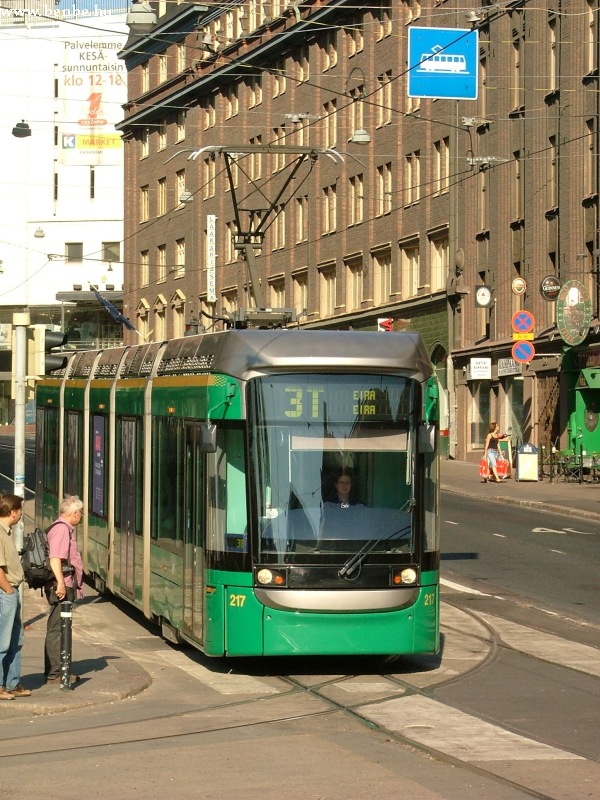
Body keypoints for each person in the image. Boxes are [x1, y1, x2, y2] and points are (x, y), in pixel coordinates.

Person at [44, 495, 84, 685]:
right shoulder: (61, 530)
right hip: (61, 585)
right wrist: (60, 583)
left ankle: (57, 670)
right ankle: (56, 672)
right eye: (80, 512)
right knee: (57, 629)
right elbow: (55, 558)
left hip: (64, 583)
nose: (81, 516)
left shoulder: (62, 528)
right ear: (74, 513)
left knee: (59, 627)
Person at [0, 493, 31, 700]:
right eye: (20, 510)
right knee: (2, 641)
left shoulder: (6, 532)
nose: (21, 514)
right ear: (12, 512)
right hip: (5, 592)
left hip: (11, 591)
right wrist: (9, 591)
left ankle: (11, 682)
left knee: (15, 639)